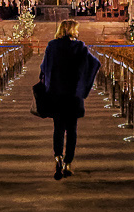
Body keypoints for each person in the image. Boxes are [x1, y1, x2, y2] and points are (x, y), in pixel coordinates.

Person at [39, 19, 100, 180]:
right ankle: (68, 162)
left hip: (57, 93)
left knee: (58, 128)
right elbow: (94, 64)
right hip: (73, 94)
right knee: (72, 130)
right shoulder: (79, 47)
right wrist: (84, 85)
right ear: (73, 30)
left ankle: (57, 157)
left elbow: (44, 68)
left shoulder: (52, 46)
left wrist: (49, 83)